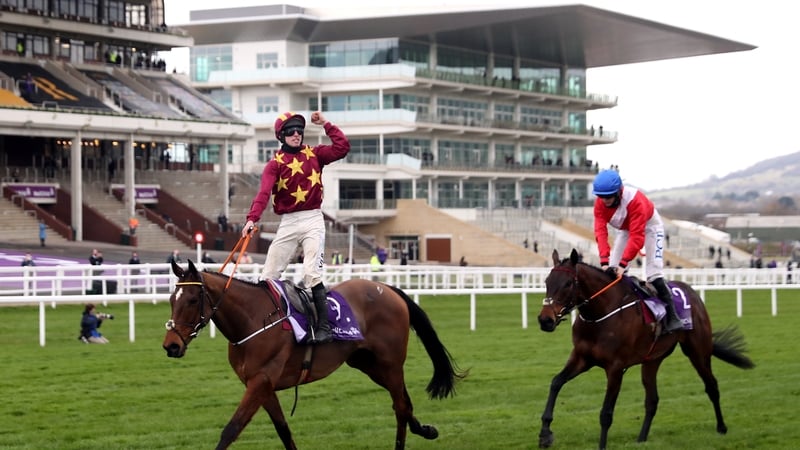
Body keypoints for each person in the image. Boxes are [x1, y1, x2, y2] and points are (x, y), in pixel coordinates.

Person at [241, 111, 350, 344]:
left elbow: (342, 147)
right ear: (281, 136)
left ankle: (324, 328)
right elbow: (263, 193)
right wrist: (252, 219)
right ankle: (273, 324)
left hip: (313, 219)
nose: (296, 135)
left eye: (299, 130)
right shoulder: (274, 164)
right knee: (268, 275)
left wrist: (326, 125)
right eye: (290, 131)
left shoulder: (315, 154)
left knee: (311, 273)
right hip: (288, 222)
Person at [591, 170, 682, 332]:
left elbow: (637, 236)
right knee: (611, 275)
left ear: (618, 192)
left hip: (650, 228)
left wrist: (623, 264)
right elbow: (600, 232)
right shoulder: (600, 203)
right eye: (601, 197)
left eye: (608, 197)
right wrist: (604, 261)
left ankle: (673, 317)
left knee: (653, 275)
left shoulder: (635, 201)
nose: (604, 201)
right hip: (626, 230)